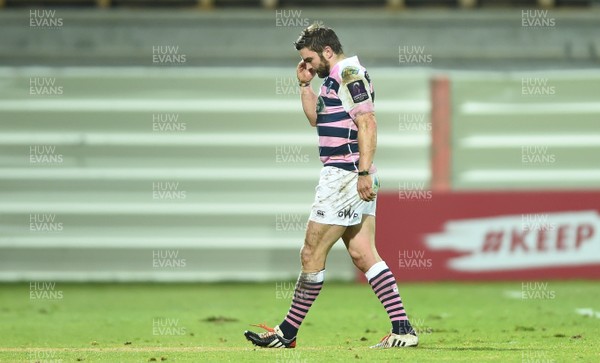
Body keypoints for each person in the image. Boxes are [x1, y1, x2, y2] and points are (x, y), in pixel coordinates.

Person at [244, 23, 418, 349]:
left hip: (345, 174)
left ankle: (287, 332)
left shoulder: (348, 73)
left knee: (310, 253)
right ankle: (403, 329)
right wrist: (303, 85)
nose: (307, 65)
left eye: (309, 60)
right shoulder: (331, 80)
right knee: (363, 253)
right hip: (352, 172)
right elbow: (316, 120)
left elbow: (367, 121)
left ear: (327, 51)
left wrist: (363, 172)